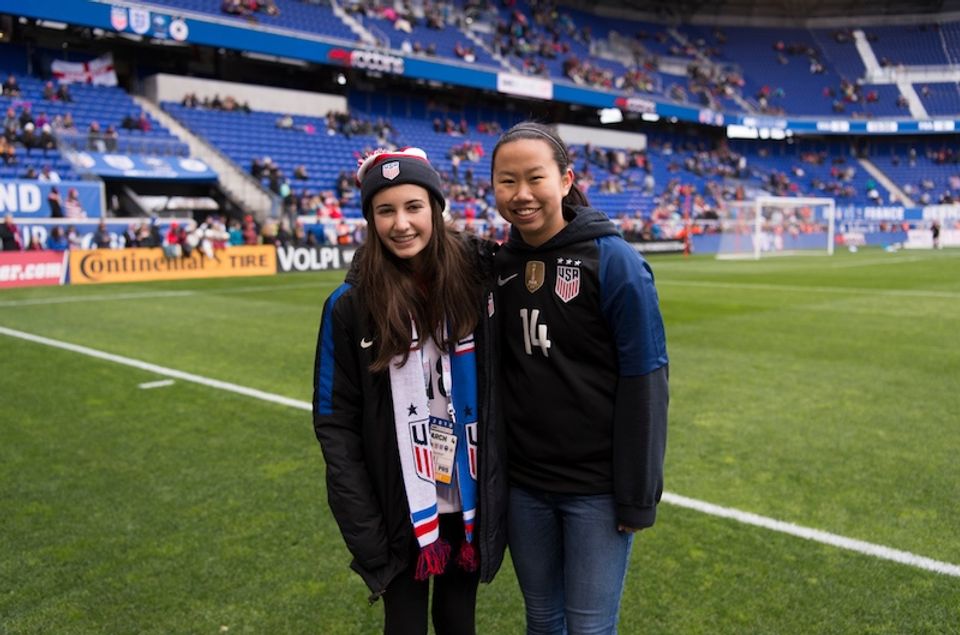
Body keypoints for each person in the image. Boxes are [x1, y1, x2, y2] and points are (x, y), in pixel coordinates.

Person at [312, 147, 505, 635]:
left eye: (414, 207)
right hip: (396, 506)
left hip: (467, 495)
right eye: (385, 210)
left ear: (436, 209)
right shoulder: (349, 306)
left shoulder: (479, 280)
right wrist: (366, 532)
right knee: (405, 626)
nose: (401, 223)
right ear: (370, 218)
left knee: (459, 621)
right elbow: (335, 425)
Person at [490, 122, 669, 635]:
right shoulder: (499, 266)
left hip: (596, 490)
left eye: (535, 178)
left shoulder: (613, 261)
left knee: (590, 629)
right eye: (507, 181)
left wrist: (637, 493)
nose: (521, 194)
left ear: (565, 180)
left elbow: (647, 380)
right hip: (525, 486)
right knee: (542, 621)